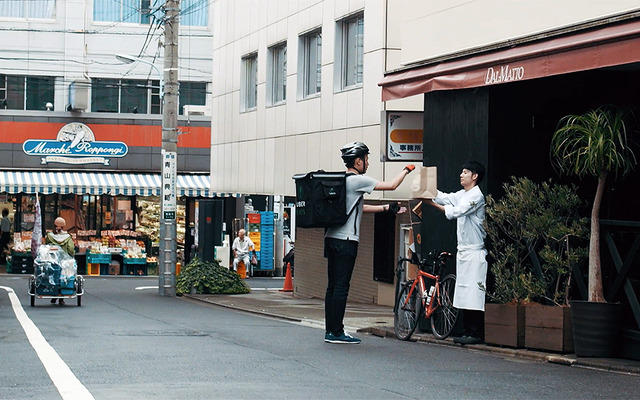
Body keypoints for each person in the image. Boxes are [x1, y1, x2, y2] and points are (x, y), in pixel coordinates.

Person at [324, 141, 414, 344]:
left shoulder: (343, 182)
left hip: (331, 238)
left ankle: (331, 330)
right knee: (341, 287)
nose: (367, 163)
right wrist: (406, 169)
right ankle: (337, 332)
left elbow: (358, 208)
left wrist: (385, 209)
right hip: (346, 240)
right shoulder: (357, 181)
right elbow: (391, 185)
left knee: (333, 286)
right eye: (366, 159)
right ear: (358, 161)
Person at [427, 161, 487, 345]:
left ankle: (475, 333)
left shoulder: (476, 196)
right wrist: (427, 189)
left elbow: (456, 212)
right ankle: (467, 331)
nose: (461, 175)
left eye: (465, 172)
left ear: (474, 176)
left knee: (474, 294)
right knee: (464, 293)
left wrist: (430, 203)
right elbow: (445, 197)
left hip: (475, 252)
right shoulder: (463, 194)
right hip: (464, 252)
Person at [45, 217, 75, 305]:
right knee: (64, 277)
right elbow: (71, 249)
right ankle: (61, 296)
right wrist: (71, 255)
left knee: (53, 276)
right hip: (64, 261)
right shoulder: (68, 237)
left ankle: (54, 294)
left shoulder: (50, 236)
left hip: (53, 260)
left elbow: (46, 246)